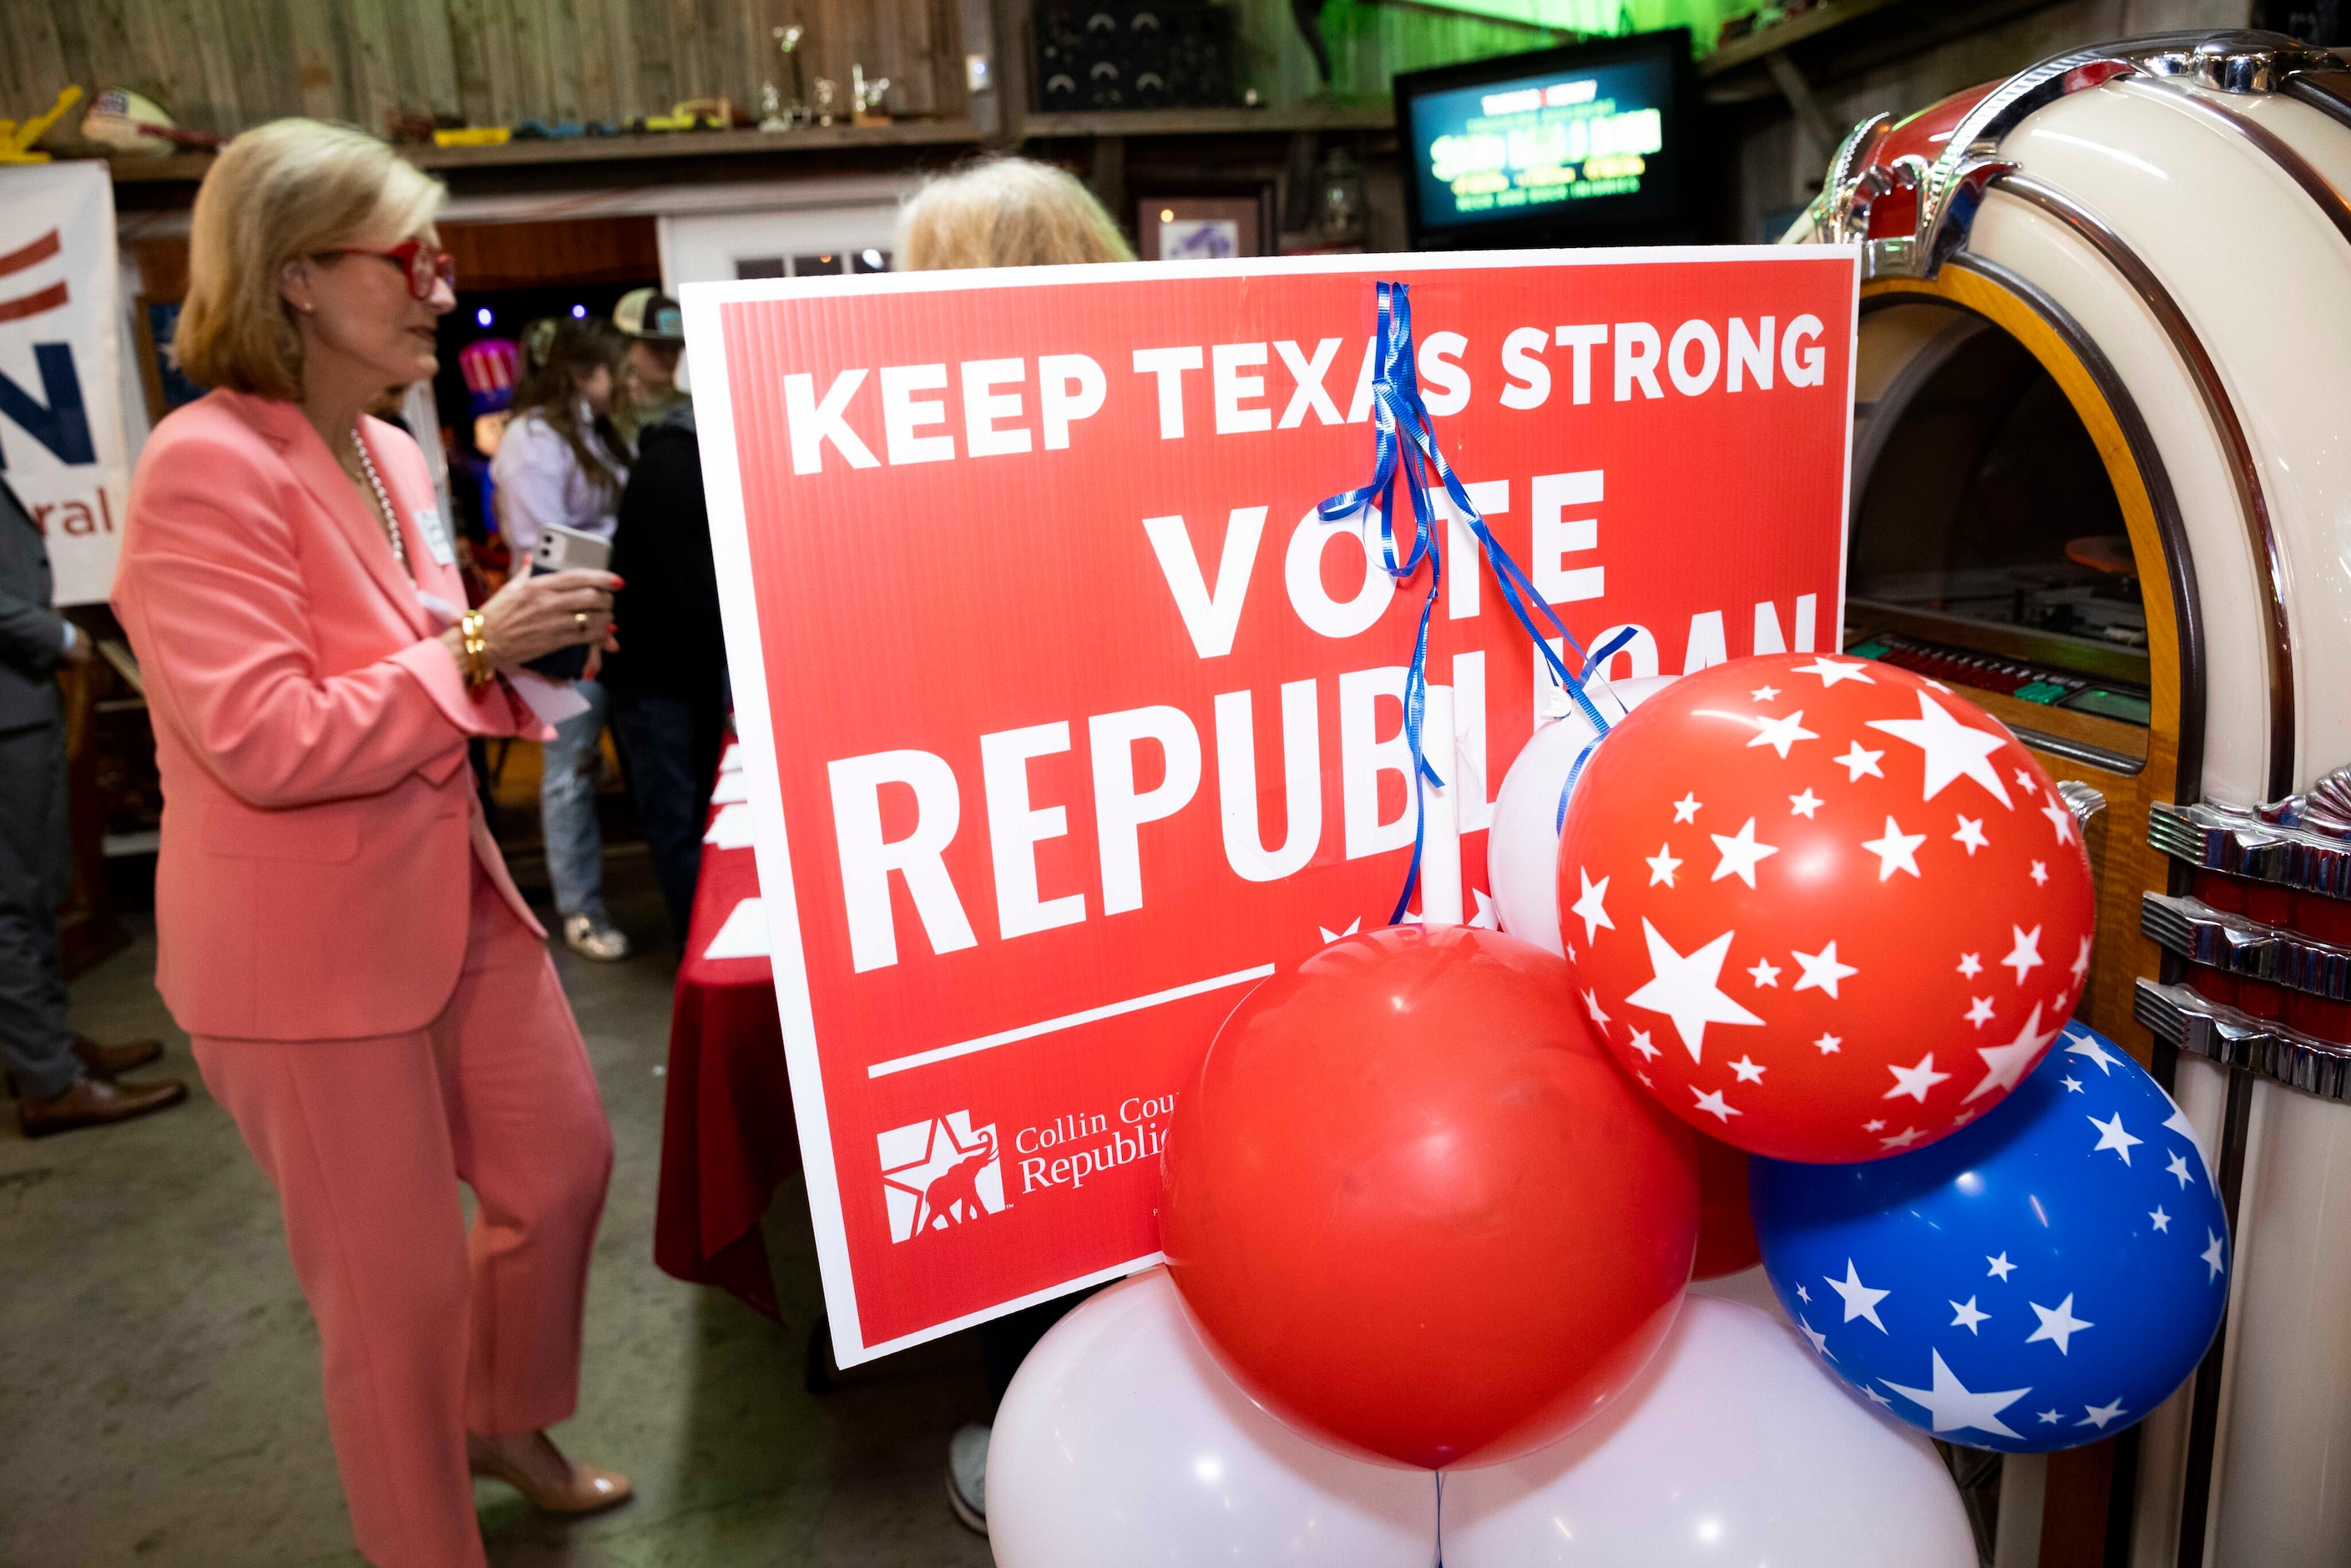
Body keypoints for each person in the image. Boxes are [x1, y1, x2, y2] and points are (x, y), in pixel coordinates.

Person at [113, 119, 630, 1568]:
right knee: (388, 1295)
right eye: (409, 257)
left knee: (564, 1166)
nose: (440, 285)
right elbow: (264, 738)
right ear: (291, 277)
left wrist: (523, 652)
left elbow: (417, 674)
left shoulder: (392, 452)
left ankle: (500, 1415)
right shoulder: (203, 468)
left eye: (438, 253)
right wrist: (472, 640)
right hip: (305, 960)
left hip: (443, 891)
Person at [892, 154, 1135, 1536]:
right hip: (1142, 881)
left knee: (1040, 1187)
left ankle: (1040, 1447)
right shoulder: (1192, 427)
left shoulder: (917, 479)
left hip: (1017, 906)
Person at [0, 476, 185, 1135]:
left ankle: (45, 1051)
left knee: (38, 889)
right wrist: (57, 639)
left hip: (22, 706)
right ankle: (50, 1081)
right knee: (11, 904)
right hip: (11, 704)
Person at [493, 316, 634, 962]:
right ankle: (578, 909)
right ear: (583, 372)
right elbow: (547, 541)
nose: (625, 382)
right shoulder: (530, 437)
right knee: (569, 771)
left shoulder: (588, 432)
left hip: (596, 613)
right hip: (551, 627)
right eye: (616, 369)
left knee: (587, 762)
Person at [604, 291, 727, 943]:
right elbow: (697, 593)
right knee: (678, 822)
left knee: (693, 818)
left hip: (678, 669)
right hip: (654, 677)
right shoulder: (677, 464)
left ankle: (702, 940)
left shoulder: (681, 452)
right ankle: (696, 949)